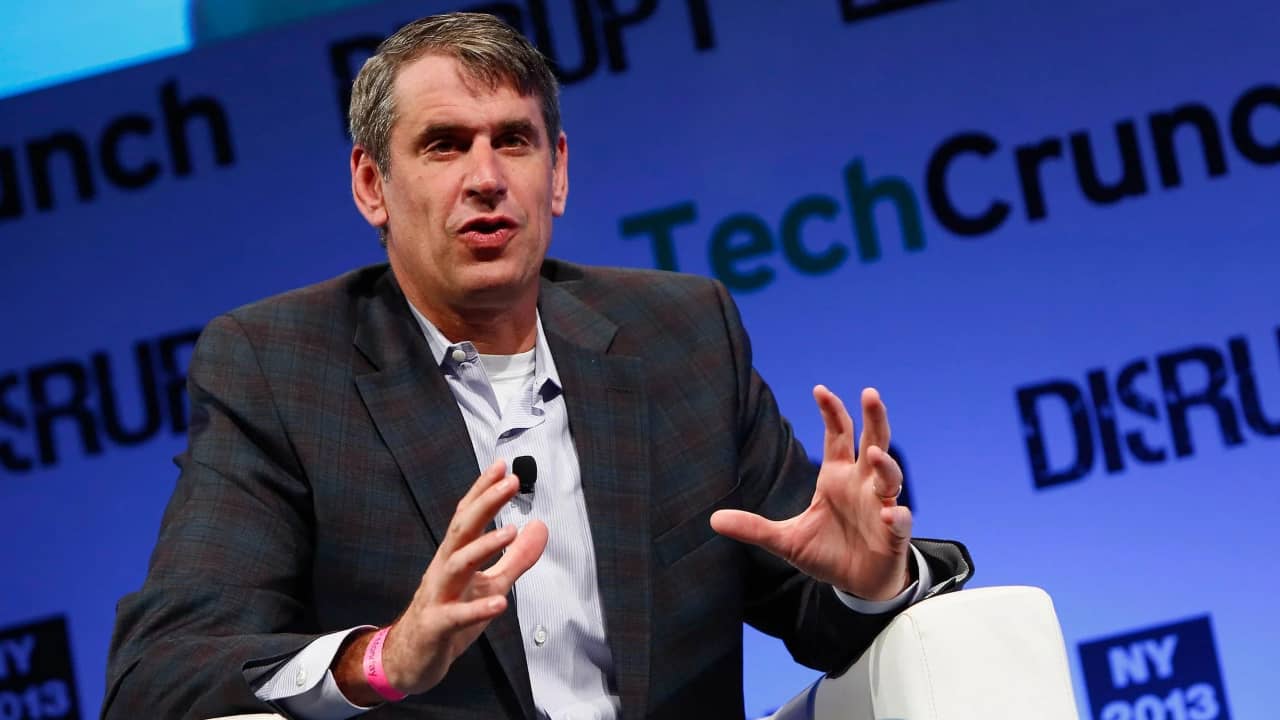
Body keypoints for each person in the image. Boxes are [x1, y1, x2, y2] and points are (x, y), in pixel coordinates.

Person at [103, 12, 972, 720]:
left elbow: (817, 614)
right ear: (372, 185)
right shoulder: (280, 370)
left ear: (557, 173)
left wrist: (870, 581)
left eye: (513, 141)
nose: (485, 178)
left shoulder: (683, 338)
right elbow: (161, 674)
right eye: (444, 145)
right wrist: (385, 656)